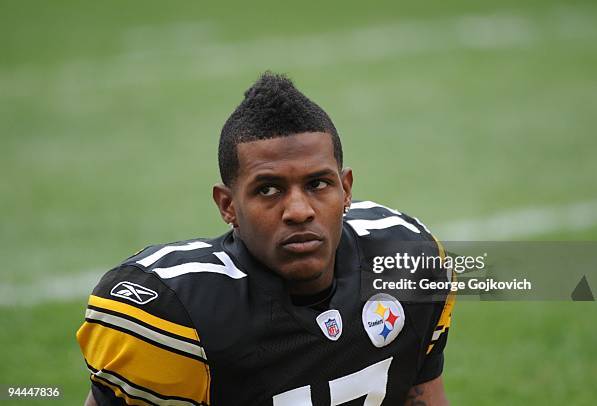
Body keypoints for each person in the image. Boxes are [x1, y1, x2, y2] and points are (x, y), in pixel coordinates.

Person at [76, 72, 455, 406]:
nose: (298, 210)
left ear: (346, 189)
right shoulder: (176, 314)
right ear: (228, 205)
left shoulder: (406, 258)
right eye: (269, 189)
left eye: (318, 184)